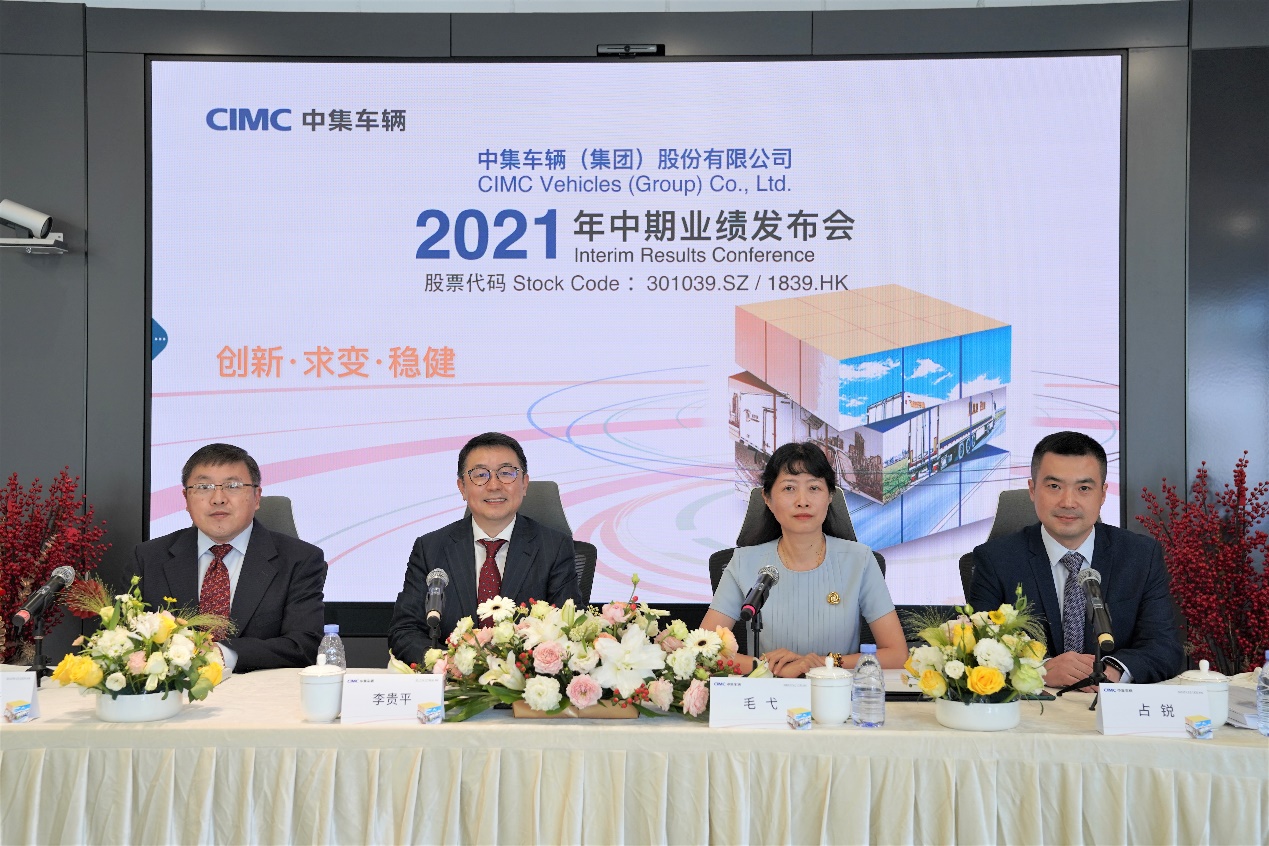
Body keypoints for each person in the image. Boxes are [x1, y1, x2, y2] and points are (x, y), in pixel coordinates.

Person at [968, 431, 1183, 687]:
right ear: (1032, 490)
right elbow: (979, 649)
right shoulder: (995, 559)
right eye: (1054, 486)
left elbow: (1163, 647)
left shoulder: (1141, 556)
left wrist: (1112, 670)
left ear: (1103, 494)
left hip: (1109, 703)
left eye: (1083, 488)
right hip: (1033, 706)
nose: (1068, 502)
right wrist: (1038, 670)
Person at [700, 442, 907, 678]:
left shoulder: (860, 561)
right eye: (789, 488)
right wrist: (768, 667)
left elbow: (897, 654)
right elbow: (703, 652)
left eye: (814, 488)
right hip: (769, 694)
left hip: (837, 693)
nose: (802, 501)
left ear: (830, 496)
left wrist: (827, 663)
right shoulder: (743, 562)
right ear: (767, 498)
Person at [127, 443, 327, 672]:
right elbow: (123, 640)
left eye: (233, 486)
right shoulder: (148, 558)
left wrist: (220, 653)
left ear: (257, 497)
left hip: (260, 690)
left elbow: (304, 646)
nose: (218, 499)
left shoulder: (300, 560)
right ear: (186, 498)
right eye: (204, 487)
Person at [388, 432, 582, 666]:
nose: (494, 485)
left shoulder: (554, 547)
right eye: (481, 475)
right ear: (462, 487)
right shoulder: (431, 548)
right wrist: (446, 663)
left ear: (524, 484)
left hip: (525, 680)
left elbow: (568, 629)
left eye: (506, 473)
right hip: (452, 681)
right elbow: (405, 631)